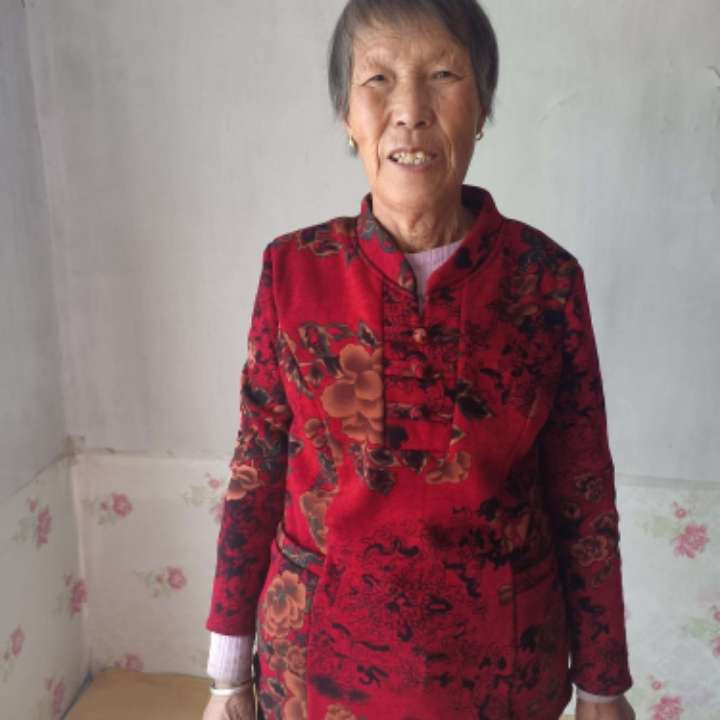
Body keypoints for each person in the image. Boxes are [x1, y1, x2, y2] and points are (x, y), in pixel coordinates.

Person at [201, 1, 636, 718]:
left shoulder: (545, 280)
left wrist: (602, 685)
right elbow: (256, 474)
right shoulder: (293, 271)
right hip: (316, 674)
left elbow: (583, 492)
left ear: (483, 107)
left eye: (443, 75)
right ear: (347, 114)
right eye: (377, 79)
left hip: (501, 674)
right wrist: (227, 677)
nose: (409, 110)